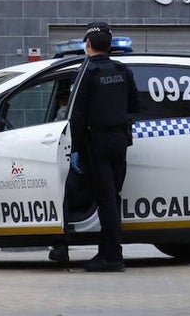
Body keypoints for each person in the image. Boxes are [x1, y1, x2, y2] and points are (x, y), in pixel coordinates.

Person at [59, 21, 139, 272]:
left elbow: (78, 114)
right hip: (120, 141)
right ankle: (107, 252)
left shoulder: (88, 71)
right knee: (112, 198)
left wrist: (75, 149)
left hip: (98, 142)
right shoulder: (122, 70)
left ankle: (112, 257)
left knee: (105, 200)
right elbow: (134, 105)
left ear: (88, 44)